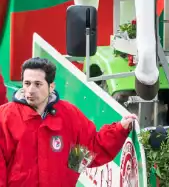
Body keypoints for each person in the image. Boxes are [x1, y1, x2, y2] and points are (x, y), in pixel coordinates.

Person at [0, 57, 135, 186]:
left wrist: (120, 130)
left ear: (51, 86)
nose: (30, 90)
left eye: (38, 84)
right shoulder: (5, 118)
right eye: (27, 83)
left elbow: (91, 151)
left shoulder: (68, 115)